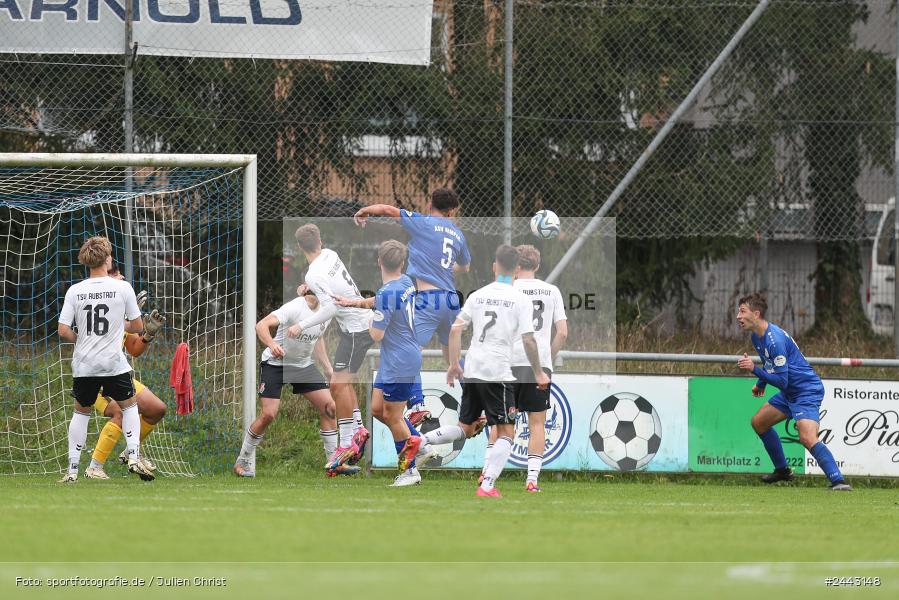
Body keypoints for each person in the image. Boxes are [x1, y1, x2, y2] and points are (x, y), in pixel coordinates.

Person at [421, 245, 549, 497]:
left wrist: (454, 364)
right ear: (517, 270)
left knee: (466, 427)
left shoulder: (477, 295)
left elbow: (456, 330)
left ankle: (421, 440)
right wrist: (538, 372)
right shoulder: (519, 299)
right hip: (497, 372)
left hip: (473, 369)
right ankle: (488, 485)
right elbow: (528, 340)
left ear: (494, 266)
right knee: (506, 432)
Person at [353, 188, 471, 423]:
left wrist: (364, 210)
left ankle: (417, 404)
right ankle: (479, 401)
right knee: (453, 360)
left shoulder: (423, 223)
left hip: (429, 300)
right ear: (452, 212)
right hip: (451, 300)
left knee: (410, 347)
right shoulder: (458, 234)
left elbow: (387, 210)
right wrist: (443, 268)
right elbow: (465, 267)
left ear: (430, 205)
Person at [58, 236, 151, 482]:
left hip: (84, 365)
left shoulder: (75, 290)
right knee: (130, 406)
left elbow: (63, 330)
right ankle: (133, 456)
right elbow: (138, 325)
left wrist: (84, 339)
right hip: (113, 363)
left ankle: (72, 471)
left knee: (81, 413)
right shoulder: (122, 288)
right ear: (107, 259)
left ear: (87, 260)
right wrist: (119, 323)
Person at [736, 293, 851, 491]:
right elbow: (769, 364)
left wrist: (754, 369)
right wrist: (761, 383)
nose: (738, 316)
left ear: (756, 314)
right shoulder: (757, 336)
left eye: (742, 311)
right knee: (759, 422)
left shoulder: (775, 341)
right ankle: (782, 471)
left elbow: (781, 380)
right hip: (790, 391)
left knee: (807, 437)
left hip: (805, 390)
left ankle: (839, 481)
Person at [234, 289, 353, 477]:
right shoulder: (294, 307)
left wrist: (327, 367)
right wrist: (272, 345)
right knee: (268, 415)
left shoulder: (328, 310)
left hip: (303, 366)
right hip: (276, 365)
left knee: (330, 407)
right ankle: (243, 461)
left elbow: (318, 336)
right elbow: (261, 326)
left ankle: (334, 463)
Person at [480, 245, 568, 493]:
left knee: (500, 422)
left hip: (507, 362)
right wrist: (544, 360)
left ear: (516, 265)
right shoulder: (552, 291)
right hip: (536, 365)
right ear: (537, 266)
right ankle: (531, 480)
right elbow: (562, 332)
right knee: (537, 423)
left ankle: (487, 474)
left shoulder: (506, 289)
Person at [287, 224, 372, 474]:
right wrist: (309, 289)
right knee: (340, 383)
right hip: (355, 328)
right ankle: (358, 429)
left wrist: (300, 325)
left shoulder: (314, 273)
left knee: (337, 385)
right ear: (320, 240)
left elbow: (330, 308)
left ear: (300, 247)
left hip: (357, 329)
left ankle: (347, 443)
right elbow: (330, 287)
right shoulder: (331, 255)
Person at [85, 263, 166, 480]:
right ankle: (94, 467)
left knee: (157, 409)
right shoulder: (95, 307)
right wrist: (129, 318)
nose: (122, 277)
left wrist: (147, 335)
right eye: (117, 274)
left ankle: (132, 451)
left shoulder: (120, 309)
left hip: (118, 374)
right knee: (120, 412)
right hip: (97, 376)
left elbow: (134, 349)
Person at [367, 240, 425, 487]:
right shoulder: (406, 283)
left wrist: (368, 317)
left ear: (379, 261)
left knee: (393, 417)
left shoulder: (385, 293)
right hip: (395, 358)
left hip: (399, 360)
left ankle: (409, 470)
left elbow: (376, 335)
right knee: (377, 410)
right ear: (403, 263)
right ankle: (418, 443)